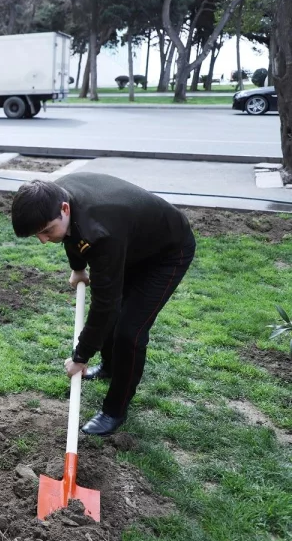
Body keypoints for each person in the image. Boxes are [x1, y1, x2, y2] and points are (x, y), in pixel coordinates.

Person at [10, 173, 196, 436]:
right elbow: (71, 234)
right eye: (37, 235)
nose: (42, 240)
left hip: (166, 253)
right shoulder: (57, 196)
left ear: (64, 208)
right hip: (131, 242)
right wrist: (78, 267)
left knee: (129, 332)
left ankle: (114, 410)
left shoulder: (100, 232)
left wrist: (80, 356)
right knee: (113, 314)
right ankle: (109, 366)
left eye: (46, 231)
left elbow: (105, 305)